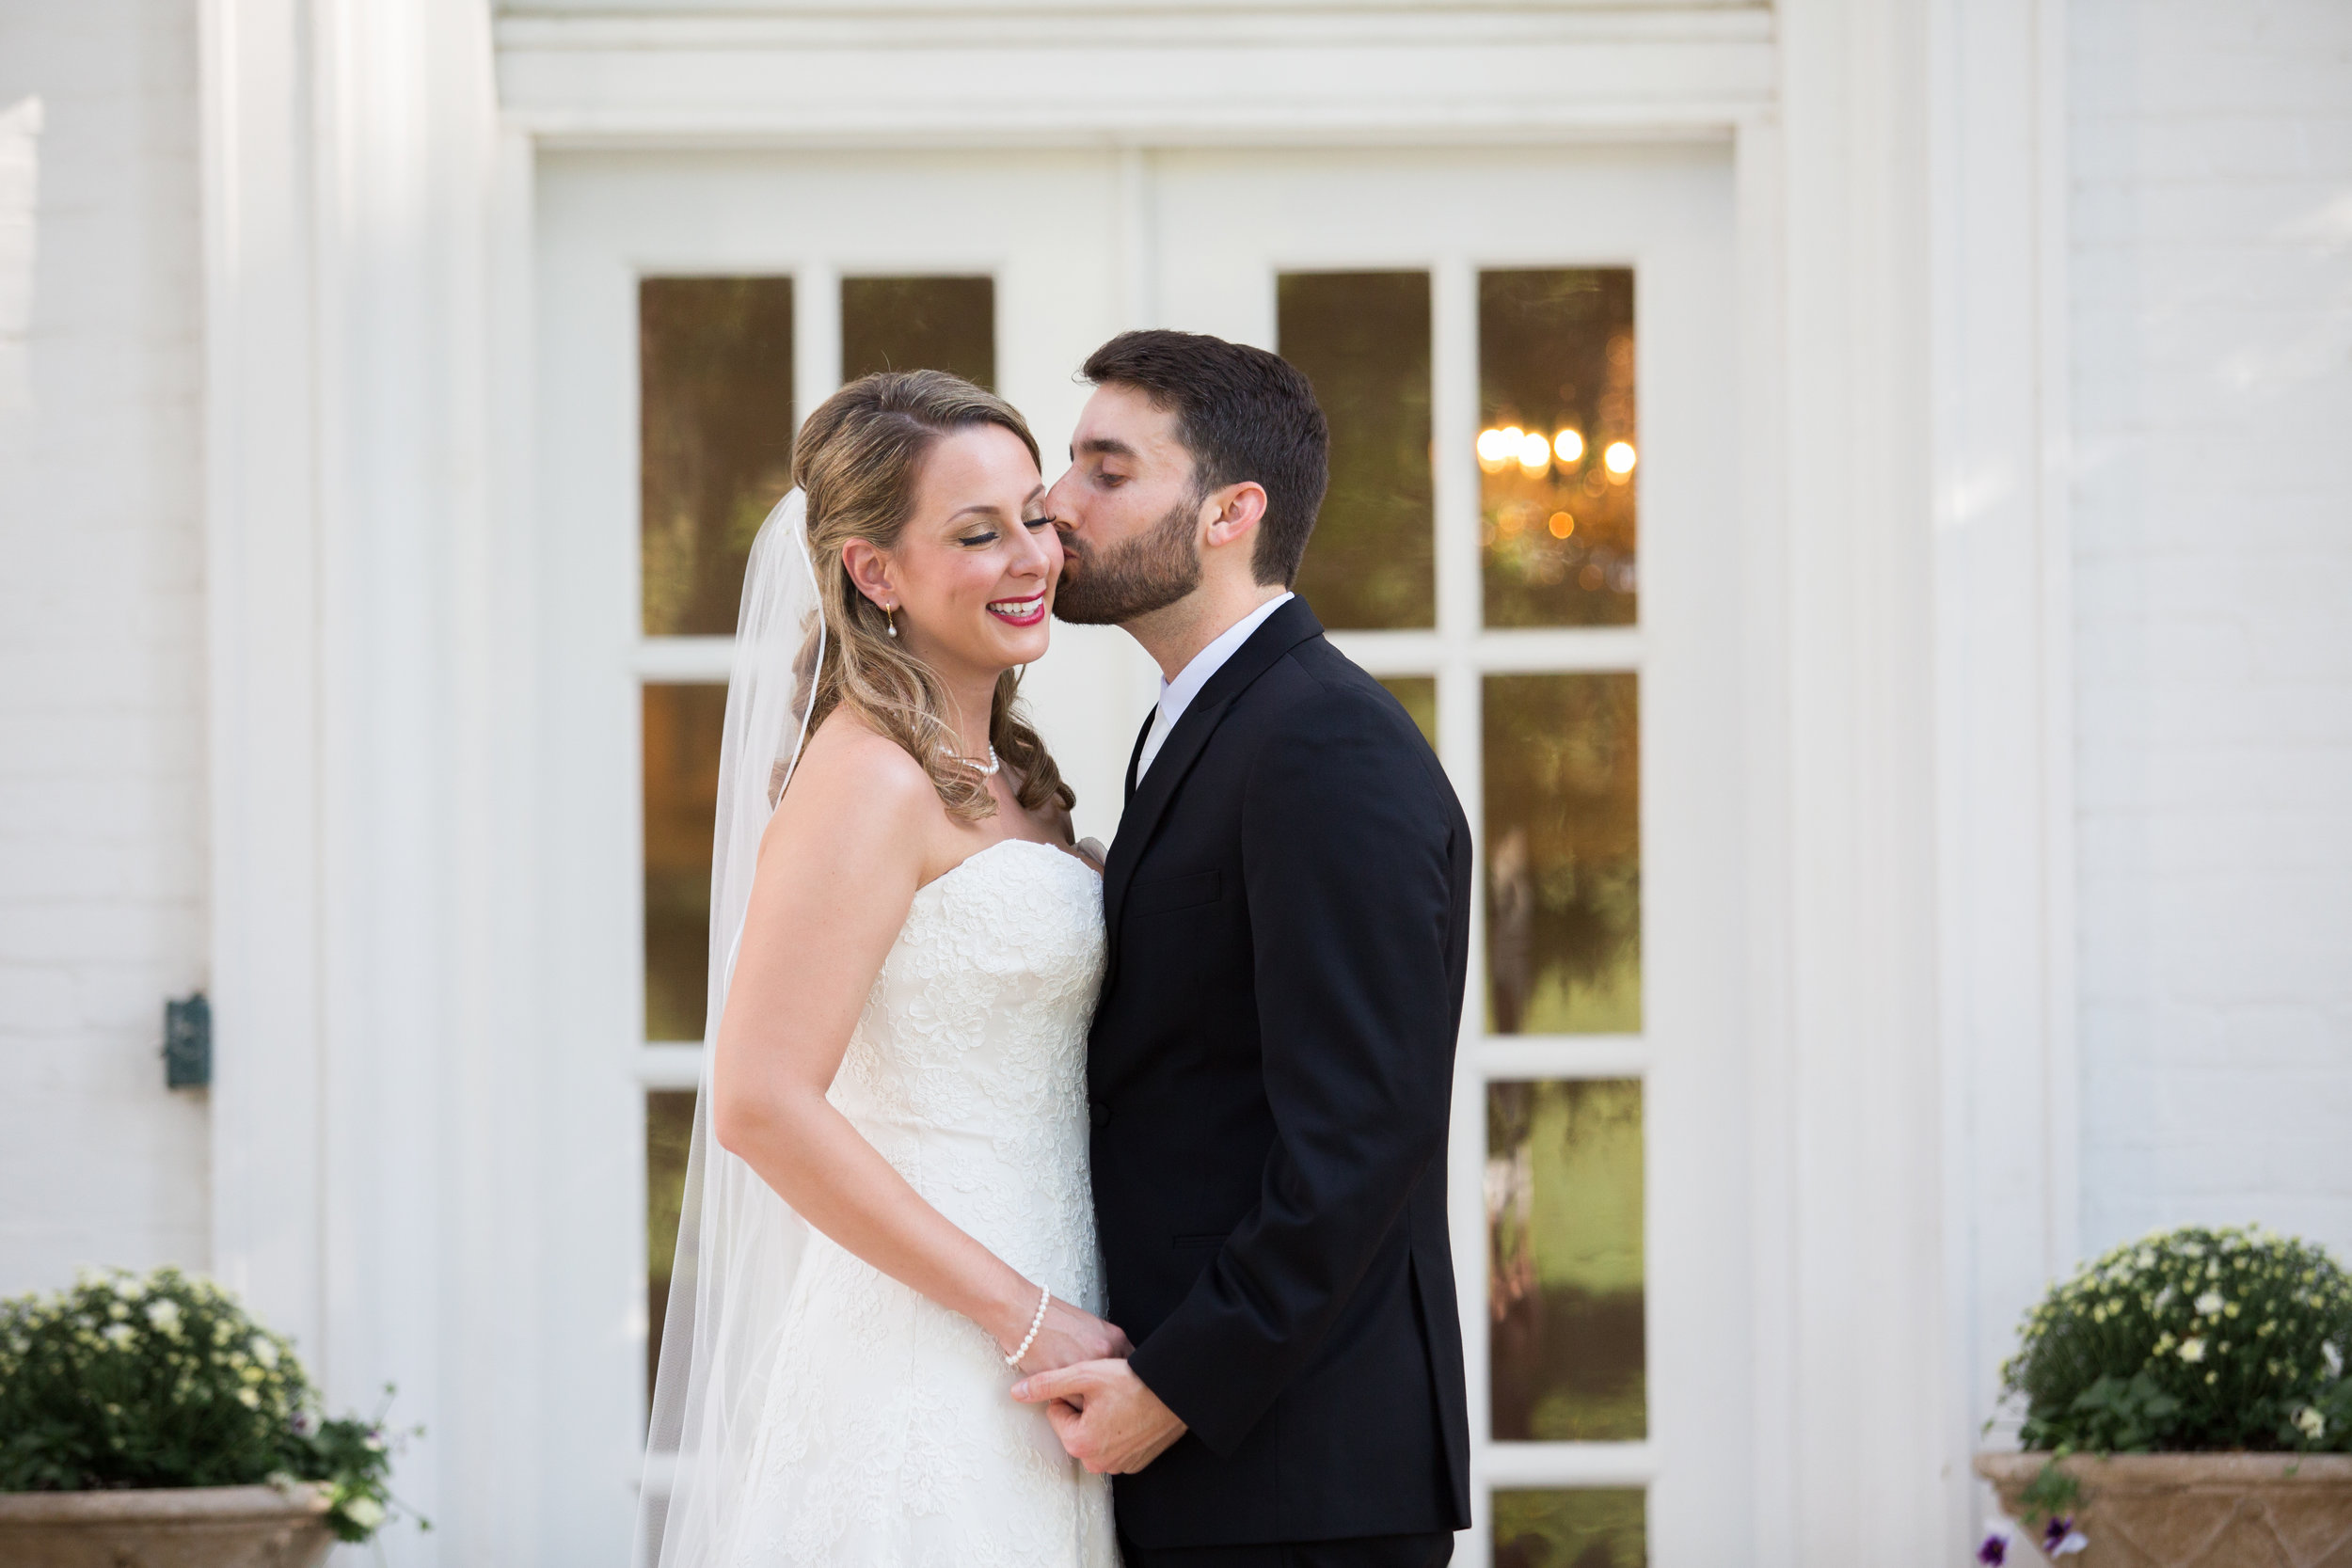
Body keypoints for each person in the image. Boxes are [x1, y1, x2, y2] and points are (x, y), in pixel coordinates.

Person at [635, 371, 1124, 1567]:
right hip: (934, 1347)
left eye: (1033, 516)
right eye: (976, 533)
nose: (1032, 556)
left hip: (1048, 1313)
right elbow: (759, 1101)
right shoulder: (867, 777)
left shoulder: (1002, 773)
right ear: (873, 570)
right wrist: (1023, 1320)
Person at [1014, 330, 1474, 1568]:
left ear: (1232, 510)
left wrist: (1174, 1384)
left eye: (1107, 470)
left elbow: (1359, 1133)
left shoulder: (1323, 742)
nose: (1054, 504)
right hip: (1223, 1470)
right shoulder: (1204, 722)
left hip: (1299, 1476)